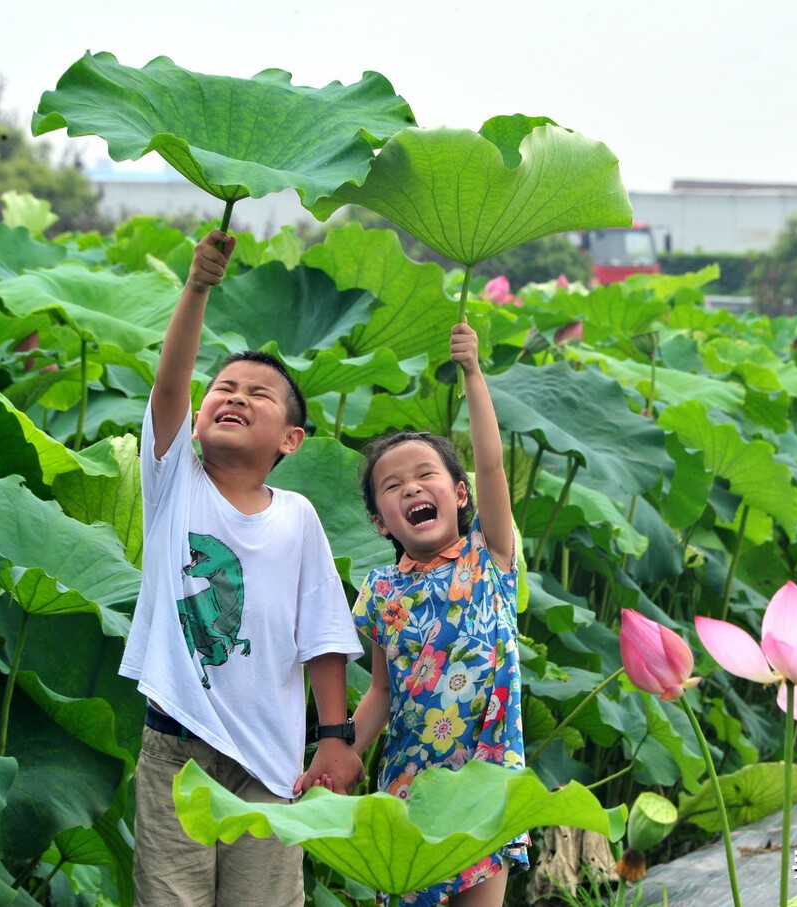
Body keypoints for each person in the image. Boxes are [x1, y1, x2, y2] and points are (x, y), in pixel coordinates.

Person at [121, 228, 365, 907]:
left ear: (291, 439)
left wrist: (336, 736)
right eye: (223, 387)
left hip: (270, 764)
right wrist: (197, 287)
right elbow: (169, 386)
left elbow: (322, 636)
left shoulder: (298, 517)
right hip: (177, 748)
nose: (235, 394)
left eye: (259, 393)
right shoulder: (176, 485)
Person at [298, 321, 528, 906]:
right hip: (409, 781)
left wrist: (473, 374)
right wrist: (344, 753)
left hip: (485, 778)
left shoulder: (489, 557)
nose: (411, 488)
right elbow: (381, 689)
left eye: (426, 475)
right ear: (380, 522)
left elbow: (493, 463)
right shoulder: (380, 592)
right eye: (392, 486)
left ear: (460, 494)